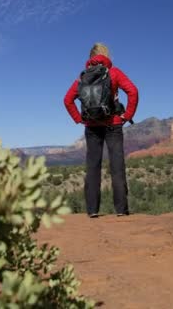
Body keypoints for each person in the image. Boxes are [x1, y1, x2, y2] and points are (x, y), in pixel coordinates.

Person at [64, 43, 139, 218]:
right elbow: (133, 92)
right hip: (113, 124)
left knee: (93, 167)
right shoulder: (114, 73)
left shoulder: (83, 77)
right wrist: (126, 116)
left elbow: (67, 100)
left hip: (91, 126)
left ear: (91, 56)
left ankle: (92, 211)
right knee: (117, 167)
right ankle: (121, 210)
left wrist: (79, 119)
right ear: (107, 55)